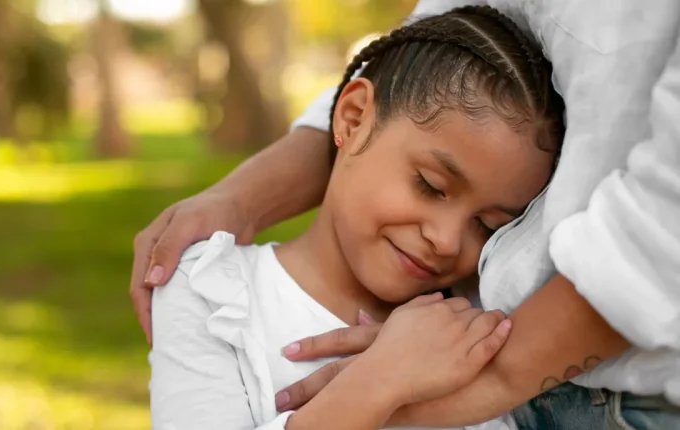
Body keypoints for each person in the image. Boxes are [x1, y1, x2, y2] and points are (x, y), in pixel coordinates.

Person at [135, 0, 680, 428]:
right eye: (430, 185)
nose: (446, 241)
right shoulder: (211, 294)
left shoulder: (466, 327)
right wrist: (378, 383)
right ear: (350, 117)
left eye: (490, 227)